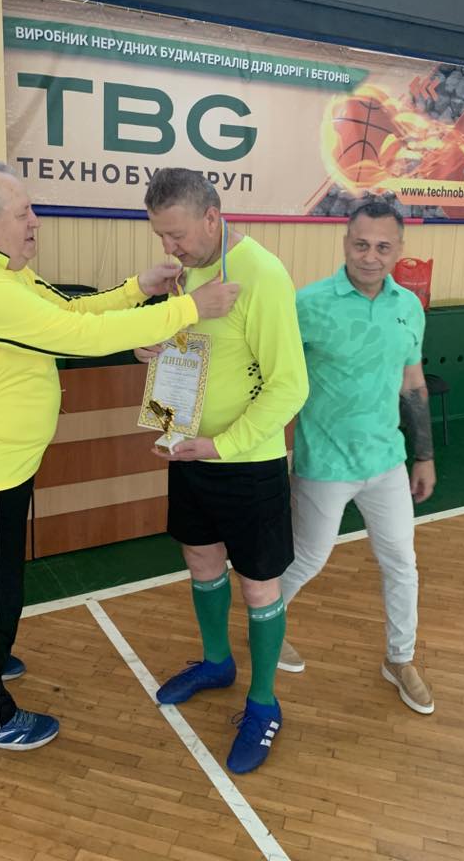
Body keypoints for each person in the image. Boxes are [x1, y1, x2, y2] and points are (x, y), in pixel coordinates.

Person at [0, 161, 239, 752]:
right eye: (24, 213)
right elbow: (80, 338)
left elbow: (68, 313)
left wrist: (139, 290)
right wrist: (190, 308)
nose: (35, 222)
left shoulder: (0, 269)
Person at [136, 168, 308, 774]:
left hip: (246, 463)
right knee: (201, 561)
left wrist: (221, 445)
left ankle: (263, 702)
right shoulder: (182, 275)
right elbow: (185, 351)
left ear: (213, 217)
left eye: (177, 235)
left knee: (259, 585)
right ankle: (216, 663)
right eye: (161, 236)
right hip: (188, 452)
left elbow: (290, 386)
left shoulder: (262, 275)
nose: (169, 248)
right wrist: (146, 344)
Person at [279, 197, 436, 714]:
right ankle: (266, 625)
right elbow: (272, 372)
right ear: (346, 243)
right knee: (307, 559)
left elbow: (412, 383)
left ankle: (400, 659)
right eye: (361, 244)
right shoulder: (308, 304)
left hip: (387, 461)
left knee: (402, 563)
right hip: (324, 463)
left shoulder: (408, 306)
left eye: (383, 247)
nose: (371, 256)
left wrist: (423, 456)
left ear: (399, 249)